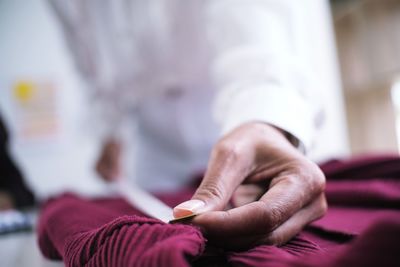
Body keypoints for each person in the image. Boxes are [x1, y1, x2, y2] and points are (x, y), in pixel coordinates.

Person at [50, 0, 327, 248]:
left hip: (239, 126)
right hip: (151, 146)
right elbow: (86, 58)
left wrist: (264, 117)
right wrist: (107, 130)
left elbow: (258, 19)